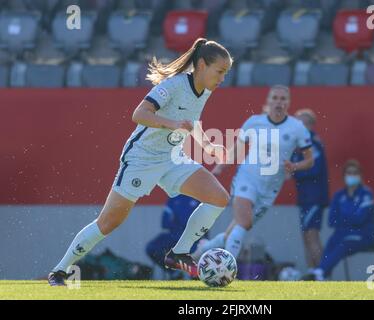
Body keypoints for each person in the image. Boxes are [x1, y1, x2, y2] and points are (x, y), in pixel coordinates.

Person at [48, 38, 233, 286]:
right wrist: (172, 124)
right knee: (108, 223)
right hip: (141, 159)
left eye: (226, 73)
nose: (222, 78)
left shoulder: (205, 90)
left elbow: (192, 120)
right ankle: (59, 271)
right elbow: (139, 114)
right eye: (220, 71)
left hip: (171, 157)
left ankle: (179, 252)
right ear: (201, 65)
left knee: (219, 198)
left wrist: (208, 146)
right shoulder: (174, 84)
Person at [193, 85, 314, 260]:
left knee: (238, 228)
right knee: (243, 223)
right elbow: (237, 150)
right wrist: (220, 167)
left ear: (288, 103)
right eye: (275, 98)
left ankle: (206, 248)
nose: (279, 102)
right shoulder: (254, 122)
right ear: (269, 101)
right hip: (247, 178)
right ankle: (227, 268)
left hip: (271, 187)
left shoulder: (297, 128)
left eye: (283, 98)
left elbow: (310, 161)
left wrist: (295, 166)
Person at [303, 159, 374, 281]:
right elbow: (331, 221)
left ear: (360, 175)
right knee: (332, 242)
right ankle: (321, 274)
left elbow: (360, 219)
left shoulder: (366, 194)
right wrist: (351, 215)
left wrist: (344, 216)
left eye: (355, 172)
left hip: (363, 235)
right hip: (342, 234)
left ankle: (320, 272)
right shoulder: (339, 195)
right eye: (349, 173)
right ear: (344, 176)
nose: (352, 176)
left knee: (342, 244)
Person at [291, 109, 329, 274]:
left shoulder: (312, 144)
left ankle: (321, 273)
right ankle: (312, 272)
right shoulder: (301, 145)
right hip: (305, 197)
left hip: (313, 197)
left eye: (301, 123)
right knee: (306, 235)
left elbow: (314, 168)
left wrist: (294, 170)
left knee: (312, 235)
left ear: (310, 125)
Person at [146, 195, 202, 279]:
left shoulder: (198, 198)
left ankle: (195, 275)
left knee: (197, 250)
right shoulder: (173, 198)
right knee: (152, 248)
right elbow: (165, 223)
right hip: (174, 235)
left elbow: (203, 224)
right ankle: (174, 273)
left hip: (193, 236)